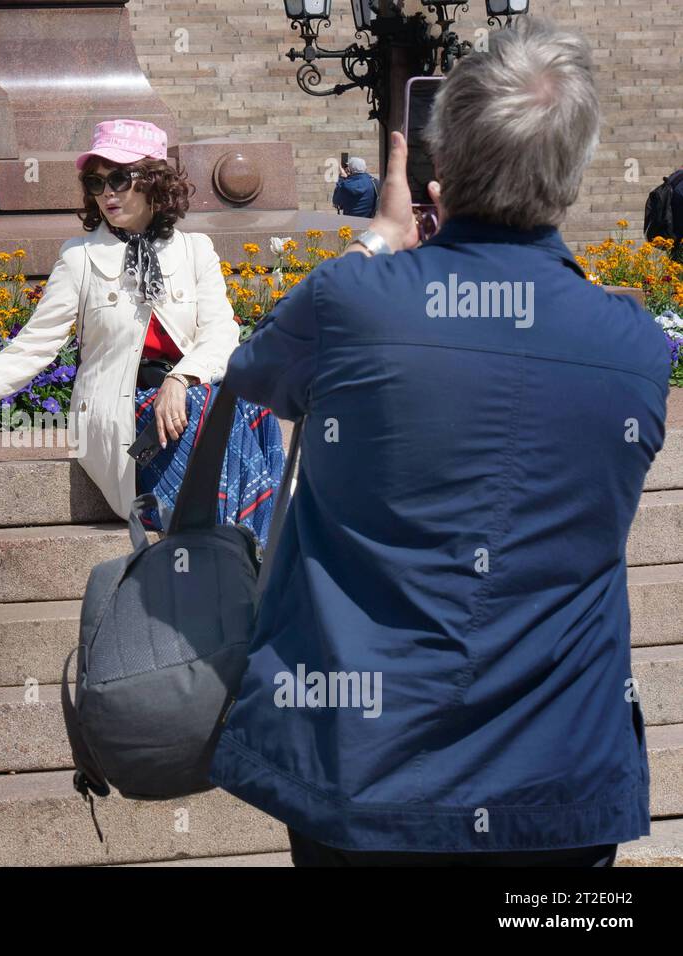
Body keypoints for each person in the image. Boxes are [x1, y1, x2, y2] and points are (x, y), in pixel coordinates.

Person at [211, 19, 670, 865]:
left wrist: (377, 243)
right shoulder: (638, 345)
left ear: (441, 160)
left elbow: (254, 376)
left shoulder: (354, 302)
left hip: (360, 773)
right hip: (557, 783)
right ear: (574, 170)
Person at [0, 119, 284, 542]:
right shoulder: (79, 258)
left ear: (154, 182)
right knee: (202, 406)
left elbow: (221, 333)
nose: (107, 194)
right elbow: (33, 348)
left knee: (240, 398)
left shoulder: (194, 251)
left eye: (119, 178)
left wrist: (180, 377)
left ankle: (244, 544)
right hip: (120, 416)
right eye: (96, 183)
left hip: (186, 398)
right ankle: (253, 550)